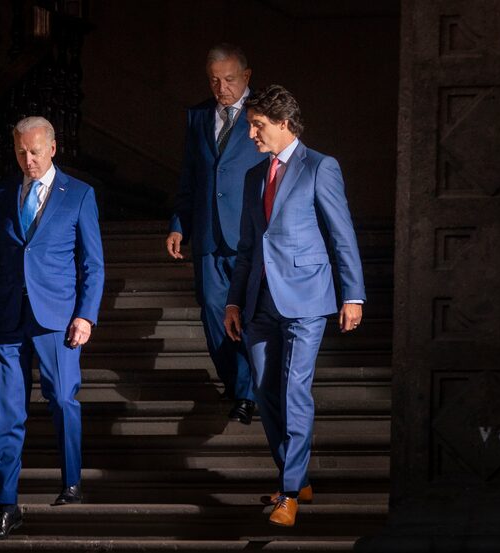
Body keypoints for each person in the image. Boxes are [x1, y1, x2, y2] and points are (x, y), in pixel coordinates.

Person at [223, 85, 365, 527]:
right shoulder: (252, 177)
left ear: (284, 123)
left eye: (257, 126)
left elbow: (341, 235)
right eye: (250, 126)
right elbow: (248, 246)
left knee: (294, 389)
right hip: (258, 302)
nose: (251, 135)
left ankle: (288, 493)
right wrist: (232, 300)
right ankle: (295, 474)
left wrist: (353, 294)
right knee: (265, 392)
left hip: (306, 300)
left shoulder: (321, 167)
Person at [0, 116, 104, 541]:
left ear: (52, 148)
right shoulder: (0, 194)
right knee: (8, 412)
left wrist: (86, 314)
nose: (28, 160)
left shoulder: (79, 195)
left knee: (63, 400)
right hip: (9, 318)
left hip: (57, 319)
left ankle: (71, 482)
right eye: (21, 152)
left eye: (34, 151)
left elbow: (92, 264)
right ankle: (7, 504)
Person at [166, 43, 266, 424]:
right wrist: (180, 224)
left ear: (246, 76)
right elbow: (190, 176)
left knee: (249, 313)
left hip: (250, 232)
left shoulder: (264, 114)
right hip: (208, 233)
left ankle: (245, 392)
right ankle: (239, 382)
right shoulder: (197, 116)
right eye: (214, 80)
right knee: (212, 308)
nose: (221, 87)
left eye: (228, 79)